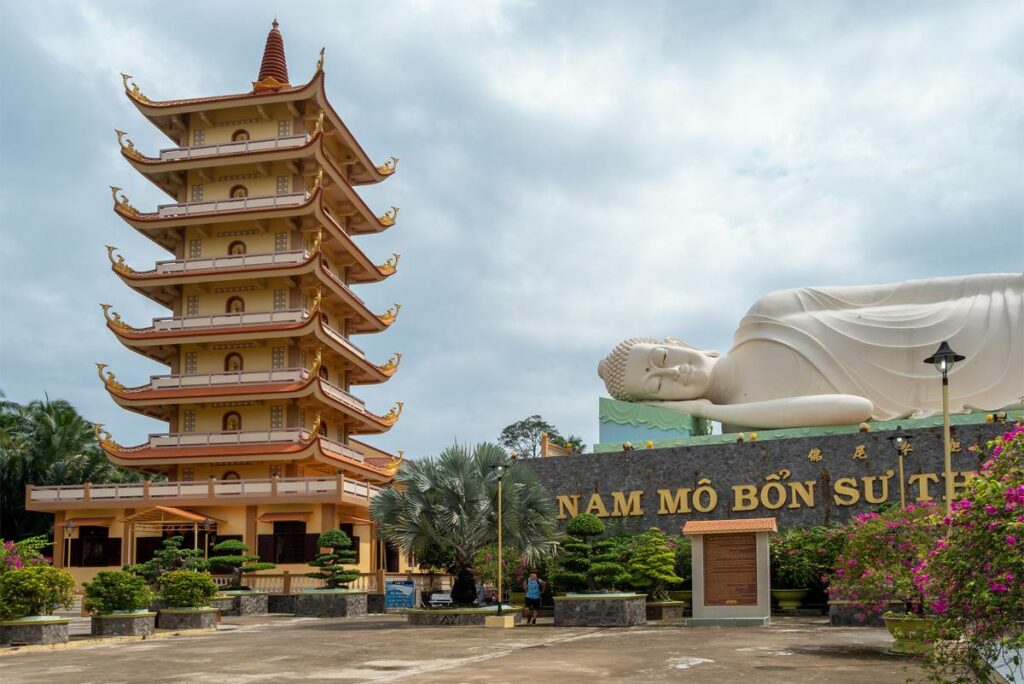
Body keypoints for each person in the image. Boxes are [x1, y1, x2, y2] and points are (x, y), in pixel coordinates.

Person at [598, 274, 1023, 430]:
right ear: (660, 402)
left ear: (678, 344)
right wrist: (709, 411)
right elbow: (856, 407)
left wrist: (996, 286)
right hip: (942, 386)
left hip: (962, 317)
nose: (674, 374)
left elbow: (888, 295)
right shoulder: (746, 417)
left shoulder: (765, 314)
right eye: (658, 384)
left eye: (664, 360)